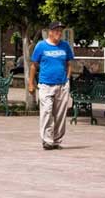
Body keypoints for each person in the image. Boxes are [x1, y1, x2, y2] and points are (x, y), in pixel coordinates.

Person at [28, 21, 74, 150]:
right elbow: (33, 66)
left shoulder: (65, 46)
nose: (59, 33)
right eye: (56, 31)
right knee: (47, 112)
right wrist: (31, 83)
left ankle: (56, 140)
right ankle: (47, 140)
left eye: (60, 31)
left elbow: (69, 64)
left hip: (62, 85)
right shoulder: (41, 46)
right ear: (50, 32)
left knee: (60, 114)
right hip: (45, 85)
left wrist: (67, 79)